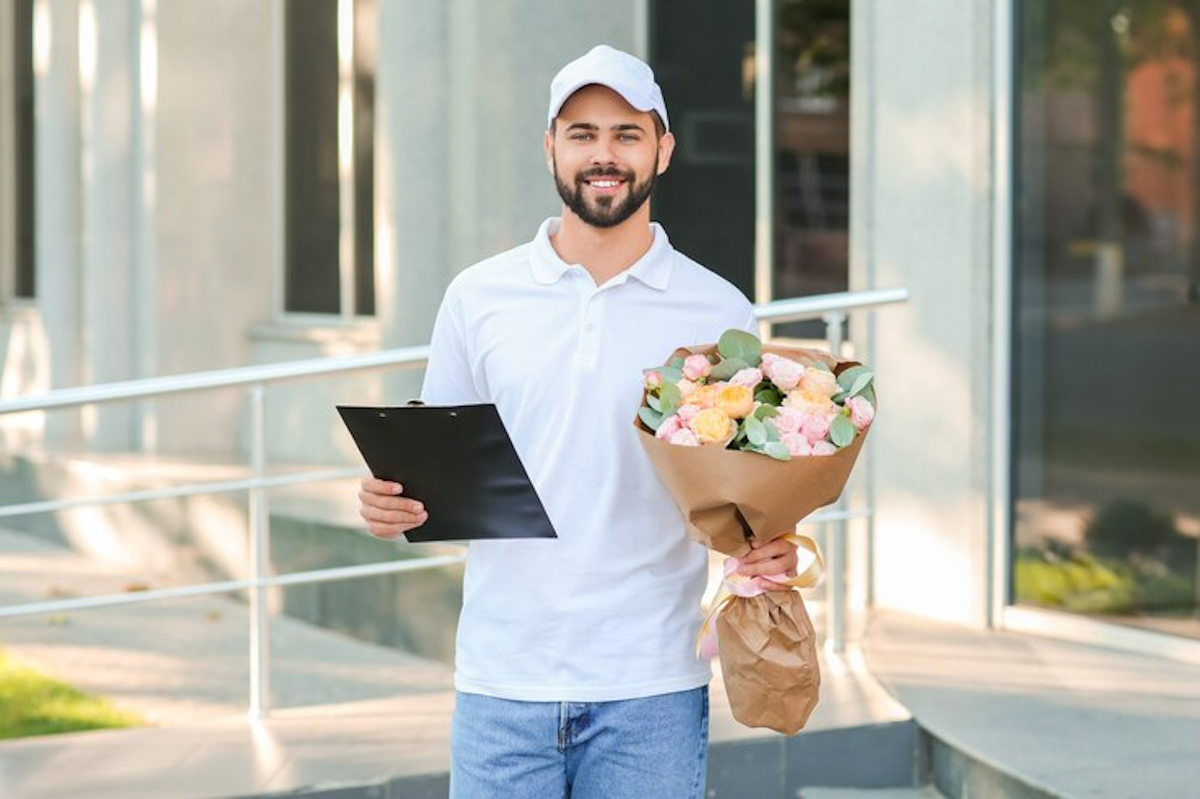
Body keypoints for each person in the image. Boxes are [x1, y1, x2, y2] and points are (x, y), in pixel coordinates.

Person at [357, 44, 800, 799]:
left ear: (663, 148)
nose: (605, 154)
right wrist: (388, 503)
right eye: (583, 133)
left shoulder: (719, 310)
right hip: (503, 680)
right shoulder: (479, 296)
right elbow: (434, 469)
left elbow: (740, 495)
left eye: (627, 134)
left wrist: (768, 549)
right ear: (551, 148)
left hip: (651, 684)